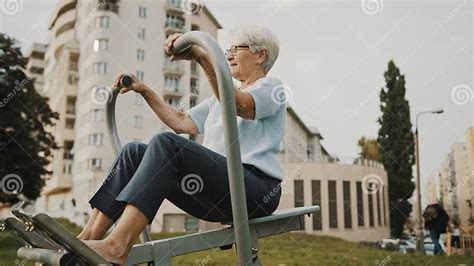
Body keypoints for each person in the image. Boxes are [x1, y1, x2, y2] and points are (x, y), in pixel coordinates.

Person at [77, 25, 285, 264]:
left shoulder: (271, 88)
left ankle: (117, 246)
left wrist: (201, 57)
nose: (228, 56)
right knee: (133, 152)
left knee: (166, 144)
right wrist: (144, 91)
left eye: (235, 49)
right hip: (220, 189)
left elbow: (240, 106)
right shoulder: (219, 99)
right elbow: (181, 122)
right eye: (226, 50)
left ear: (260, 55)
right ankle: (86, 238)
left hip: (255, 189)